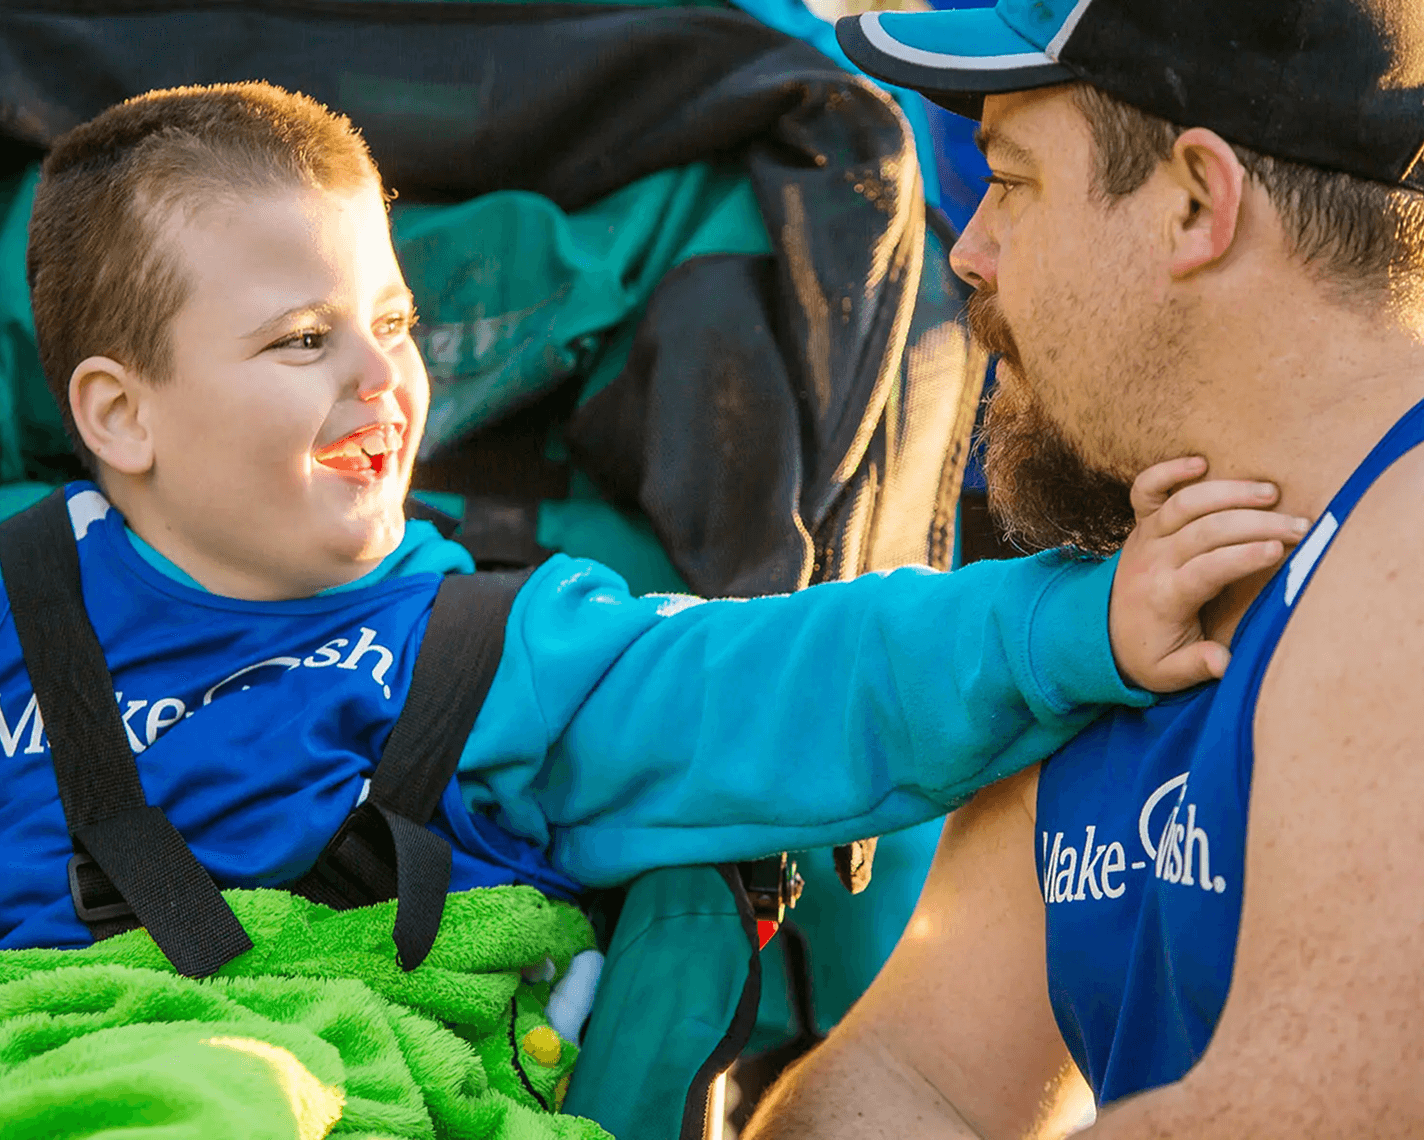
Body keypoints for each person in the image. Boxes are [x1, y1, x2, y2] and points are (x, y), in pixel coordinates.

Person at [0, 80, 1299, 1133]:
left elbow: (802, 669)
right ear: (121, 413)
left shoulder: (491, 658)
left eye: (392, 322)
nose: (381, 381)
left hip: (306, 1078)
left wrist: (1080, 623)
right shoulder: (20, 595)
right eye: (301, 340)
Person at [741, 0, 1424, 1137]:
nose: (968, 251)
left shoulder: (1402, 562)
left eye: (1009, 182)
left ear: (1193, 202)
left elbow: (1301, 1117)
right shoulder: (1131, 600)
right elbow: (909, 1078)